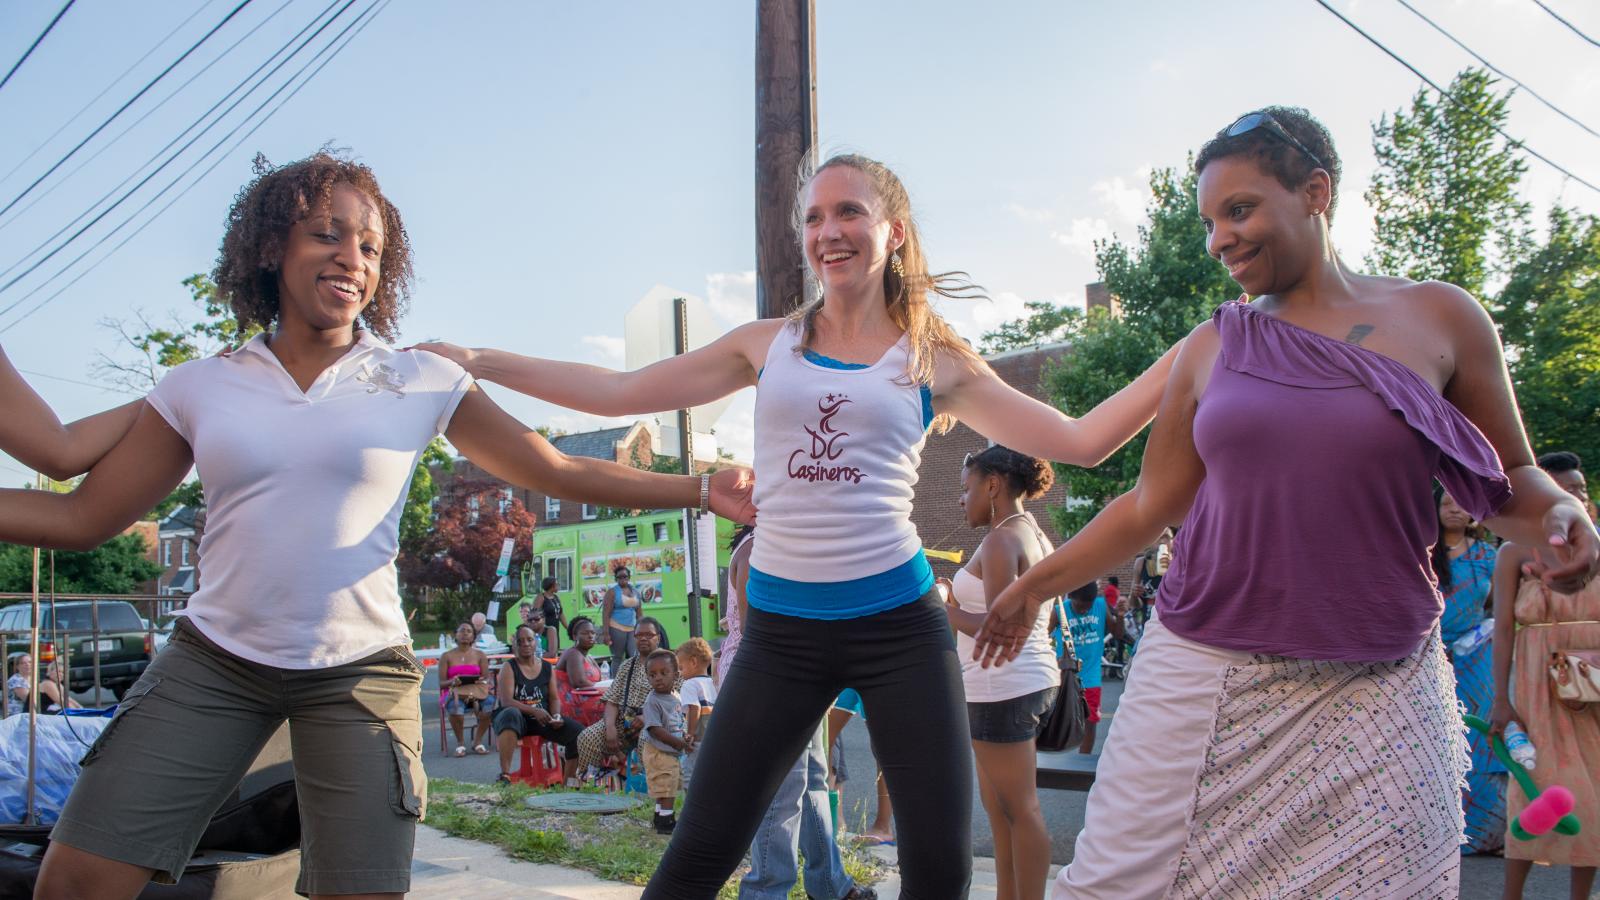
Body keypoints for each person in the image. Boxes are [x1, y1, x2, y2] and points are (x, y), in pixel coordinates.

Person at [416, 151, 1179, 896]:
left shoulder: (931, 358)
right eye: (814, 217)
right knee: (696, 859)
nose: (829, 231)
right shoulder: (767, 344)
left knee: (940, 872)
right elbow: (619, 391)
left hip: (901, 629)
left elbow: (1084, 440)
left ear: (895, 233)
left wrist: (1192, 352)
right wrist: (478, 358)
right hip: (781, 632)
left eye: (850, 211)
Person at [0, 151, 753, 900]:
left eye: (370, 247)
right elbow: (79, 513)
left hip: (358, 677)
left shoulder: (415, 379)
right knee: (73, 883)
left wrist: (699, 487)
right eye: (328, 234)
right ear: (272, 247)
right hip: (213, 667)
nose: (352, 259)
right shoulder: (205, 384)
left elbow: (553, 470)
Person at [973, 107, 1599, 899]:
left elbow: (1511, 477)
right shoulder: (1213, 344)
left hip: (1378, 687)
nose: (1219, 241)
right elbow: (1147, 506)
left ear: (1315, 191)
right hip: (1205, 674)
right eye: (1207, 222)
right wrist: (1034, 585)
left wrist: (1558, 518)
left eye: (1239, 210)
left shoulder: (1440, 317)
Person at [939, 445, 1060, 900]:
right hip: (1017, 682)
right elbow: (1031, 619)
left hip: (1000, 687)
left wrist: (943, 609)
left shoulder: (1001, 539)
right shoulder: (1030, 533)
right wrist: (957, 601)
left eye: (966, 488)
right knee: (1003, 811)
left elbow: (1001, 628)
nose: (960, 499)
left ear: (993, 486)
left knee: (1020, 810)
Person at [1492, 451, 1599, 899]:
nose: (1577, 495)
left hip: (1593, 684)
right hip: (1536, 685)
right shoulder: (1514, 552)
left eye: (1581, 488)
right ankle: (1510, 895)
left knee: (1593, 790)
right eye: (1566, 487)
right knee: (1530, 785)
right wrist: (1502, 698)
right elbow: (1502, 628)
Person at [1432, 488, 1505, 854]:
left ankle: (1485, 833)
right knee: (1438, 737)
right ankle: (1439, 831)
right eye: (1446, 504)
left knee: (1481, 734)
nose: (1454, 510)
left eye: (1461, 505)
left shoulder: (1487, 555)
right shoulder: (1425, 553)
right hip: (1431, 654)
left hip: (1477, 658)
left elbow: (1495, 606)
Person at [575, 617, 673, 772]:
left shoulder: (669, 663)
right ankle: (591, 787)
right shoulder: (627, 665)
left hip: (657, 722)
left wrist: (648, 716)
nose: (643, 639)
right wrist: (610, 727)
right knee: (587, 738)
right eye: (639, 635)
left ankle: (647, 791)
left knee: (646, 741)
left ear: (658, 638)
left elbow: (676, 700)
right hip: (625, 722)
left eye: (649, 635)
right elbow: (612, 701)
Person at [492, 624, 582, 785]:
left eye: (529, 640)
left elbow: (554, 698)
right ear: (515, 645)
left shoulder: (547, 667)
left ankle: (569, 784)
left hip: (541, 719)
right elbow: (506, 701)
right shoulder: (509, 667)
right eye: (520, 641)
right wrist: (534, 711)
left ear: (536, 643)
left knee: (578, 733)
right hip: (516, 718)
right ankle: (505, 775)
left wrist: (556, 716)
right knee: (510, 714)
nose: (525, 644)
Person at [827, 689, 893, 847]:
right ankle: (829, 818)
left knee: (883, 742)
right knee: (821, 733)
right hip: (837, 668)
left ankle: (883, 825)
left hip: (877, 669)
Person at [1065, 581, 1125, 755]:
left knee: (1090, 723)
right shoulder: (1061, 610)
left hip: (1091, 678)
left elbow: (1118, 633)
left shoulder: (1099, 605)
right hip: (1065, 677)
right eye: (1079, 606)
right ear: (1070, 597)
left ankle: (1082, 760)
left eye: (1087, 607)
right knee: (1057, 721)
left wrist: (1120, 615)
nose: (1084, 610)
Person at [642, 648, 691, 834]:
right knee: (666, 786)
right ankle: (666, 822)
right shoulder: (652, 701)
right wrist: (677, 743)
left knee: (667, 785)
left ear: (676, 675)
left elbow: (678, 722)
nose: (658, 678)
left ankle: (658, 816)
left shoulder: (675, 696)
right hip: (658, 751)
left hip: (670, 750)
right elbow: (655, 729)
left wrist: (684, 736)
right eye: (652, 675)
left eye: (664, 673)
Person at [440, 621, 497, 757]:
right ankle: (460, 743)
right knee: (455, 708)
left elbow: (486, 678)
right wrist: (452, 681)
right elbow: (441, 684)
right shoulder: (446, 656)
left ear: (473, 637)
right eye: (462, 631)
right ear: (456, 635)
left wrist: (479, 680)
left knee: (490, 704)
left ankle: (477, 741)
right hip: (455, 692)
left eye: (469, 631)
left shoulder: (480, 655)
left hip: (477, 691)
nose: (465, 634)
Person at [675, 637, 715, 786]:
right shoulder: (712, 682)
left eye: (681, 667)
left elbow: (694, 708)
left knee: (689, 773)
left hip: (698, 737)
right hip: (712, 737)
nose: (680, 673)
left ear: (693, 662)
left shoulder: (689, 684)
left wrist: (690, 734)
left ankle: (689, 805)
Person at [556, 615, 603, 720]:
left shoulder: (589, 658)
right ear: (574, 636)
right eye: (585, 633)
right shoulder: (573, 653)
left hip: (588, 698)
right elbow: (579, 682)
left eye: (592, 633)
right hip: (574, 703)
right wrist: (605, 689)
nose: (590, 636)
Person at [603, 566, 642, 661]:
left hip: (632, 629)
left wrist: (641, 630)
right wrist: (606, 634)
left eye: (625, 576)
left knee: (635, 657)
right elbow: (606, 614)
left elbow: (639, 613)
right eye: (619, 577)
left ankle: (633, 676)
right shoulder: (612, 592)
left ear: (629, 577)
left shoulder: (636, 592)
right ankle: (616, 676)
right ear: (616, 579)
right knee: (617, 657)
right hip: (616, 627)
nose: (622, 579)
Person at [532, 575, 567, 652]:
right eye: (557, 584)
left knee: (555, 651)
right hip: (544, 632)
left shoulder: (556, 597)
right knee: (547, 653)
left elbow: (560, 614)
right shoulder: (541, 597)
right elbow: (534, 615)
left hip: (555, 630)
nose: (558, 586)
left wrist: (569, 628)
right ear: (551, 586)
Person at [5, 653, 31, 717]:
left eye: (30, 662)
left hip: (28, 713)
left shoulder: (32, 678)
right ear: (17, 666)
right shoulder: (16, 680)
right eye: (23, 663)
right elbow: (28, 700)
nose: (27, 664)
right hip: (17, 716)